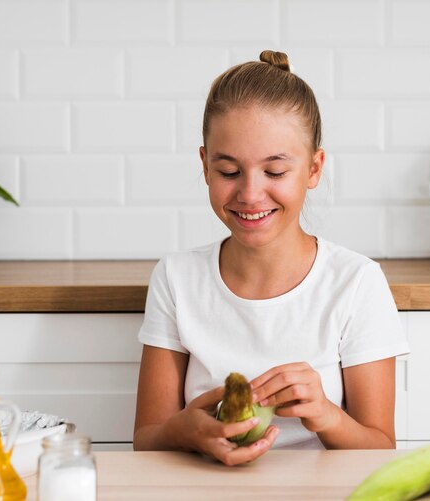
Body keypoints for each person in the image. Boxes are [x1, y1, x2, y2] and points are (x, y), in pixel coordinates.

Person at [133, 50, 409, 465]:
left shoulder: (355, 282)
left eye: (275, 172)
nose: (250, 193)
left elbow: (380, 447)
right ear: (206, 165)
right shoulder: (177, 278)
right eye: (229, 171)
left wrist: (325, 414)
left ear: (314, 169)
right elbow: (147, 439)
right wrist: (185, 430)